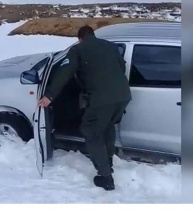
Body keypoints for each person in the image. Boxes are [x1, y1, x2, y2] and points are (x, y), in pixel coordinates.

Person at [38, 25, 131, 191]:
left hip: (101, 99)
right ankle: (107, 160)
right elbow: (121, 67)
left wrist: (49, 96)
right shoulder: (110, 46)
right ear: (93, 35)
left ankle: (105, 177)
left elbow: (64, 73)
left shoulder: (78, 50)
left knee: (90, 131)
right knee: (107, 125)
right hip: (123, 96)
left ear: (79, 38)